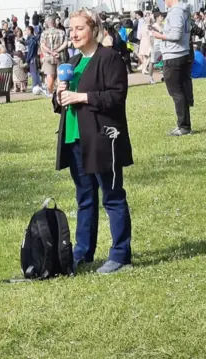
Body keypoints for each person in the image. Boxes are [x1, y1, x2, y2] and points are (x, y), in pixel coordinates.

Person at [52, 9, 133, 274]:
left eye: (79, 29)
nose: (73, 34)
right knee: (84, 199)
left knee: (112, 197)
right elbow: (62, 103)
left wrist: (81, 97)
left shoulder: (109, 59)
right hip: (75, 139)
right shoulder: (72, 62)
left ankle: (120, 254)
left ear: (94, 30)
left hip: (101, 139)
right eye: (71, 29)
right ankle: (82, 252)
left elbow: (115, 97)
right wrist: (59, 95)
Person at [151, 0, 193, 136]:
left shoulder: (176, 11)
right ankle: (184, 125)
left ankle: (183, 126)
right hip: (182, 53)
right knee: (181, 90)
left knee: (176, 91)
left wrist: (160, 36)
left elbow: (176, 36)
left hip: (174, 55)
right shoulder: (183, 10)